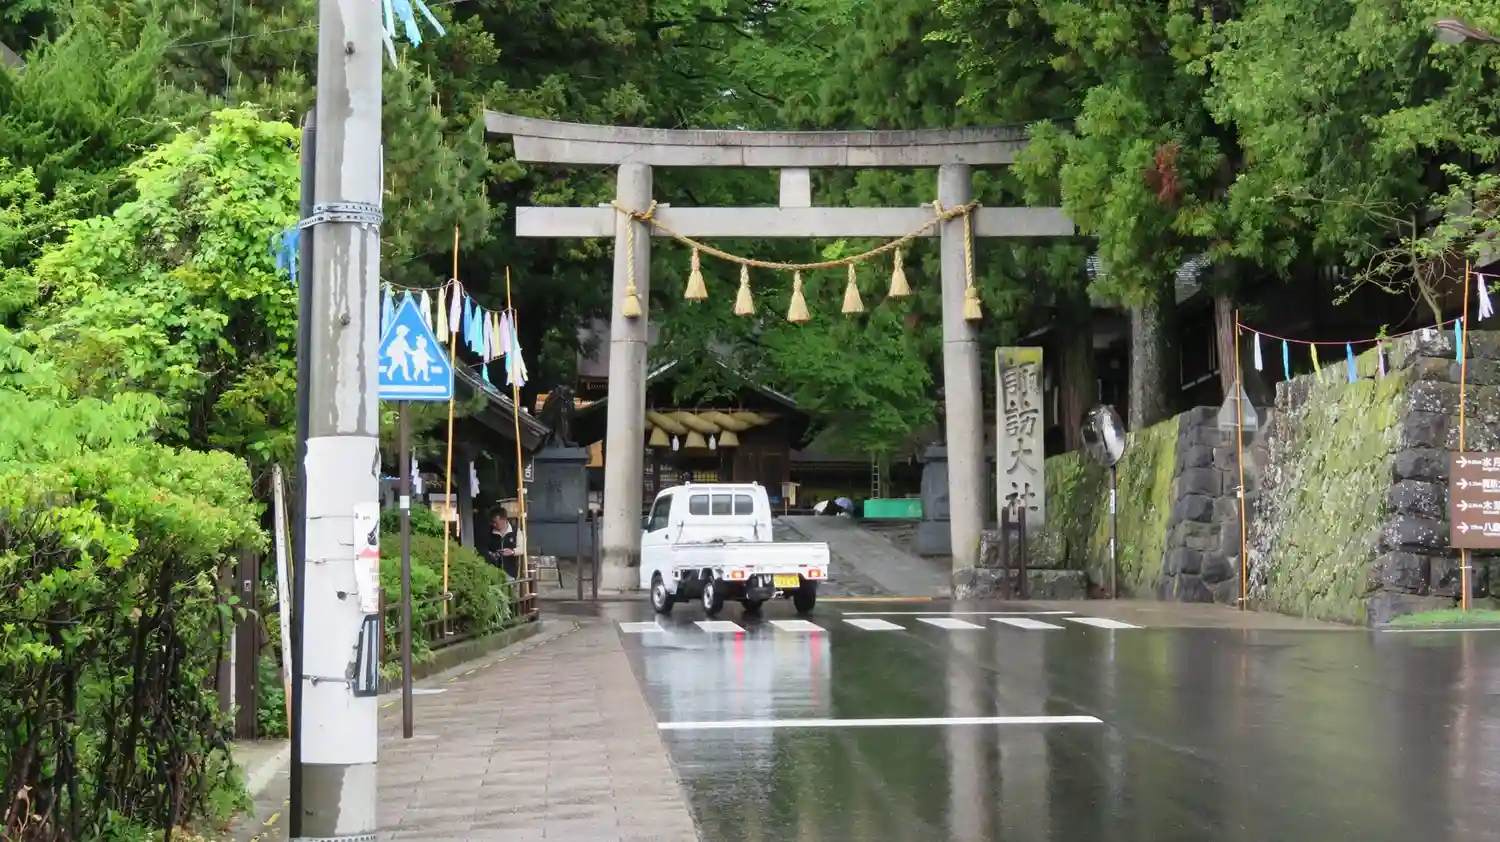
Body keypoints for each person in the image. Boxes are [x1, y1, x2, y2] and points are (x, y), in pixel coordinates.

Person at [485, 509, 519, 580]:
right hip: (495, 573)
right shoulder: (489, 533)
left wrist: (512, 552)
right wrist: (490, 554)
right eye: (492, 522)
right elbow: (485, 548)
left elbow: (522, 549)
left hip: (511, 573)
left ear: (504, 519)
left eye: (496, 522)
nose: (494, 525)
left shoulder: (516, 532)